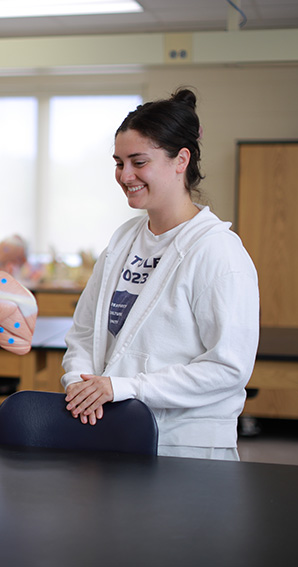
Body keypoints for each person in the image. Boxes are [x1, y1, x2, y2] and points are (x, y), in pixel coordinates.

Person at [60, 88, 259, 460]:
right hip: (113, 429)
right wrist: (79, 383)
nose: (125, 175)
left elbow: (227, 368)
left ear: (181, 160)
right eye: (119, 162)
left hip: (185, 444)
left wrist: (125, 387)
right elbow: (85, 334)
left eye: (138, 161)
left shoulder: (218, 251)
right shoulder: (124, 240)